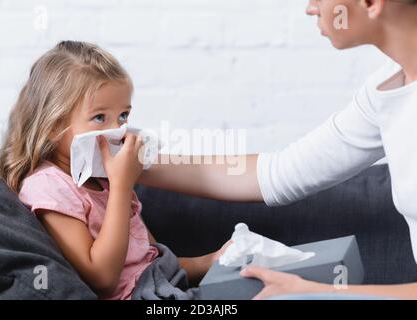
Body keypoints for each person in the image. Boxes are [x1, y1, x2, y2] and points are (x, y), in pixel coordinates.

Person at [138, 0, 417, 299]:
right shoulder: (386, 91)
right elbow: (278, 174)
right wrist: (131, 161)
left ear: (371, 3)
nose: (311, 8)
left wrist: (317, 291)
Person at [0, 41, 228, 300]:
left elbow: (148, 264)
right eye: (100, 118)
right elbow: (103, 279)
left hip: (168, 287)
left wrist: (213, 260)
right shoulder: (50, 186)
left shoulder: (102, 178)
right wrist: (122, 187)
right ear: (53, 125)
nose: (118, 130)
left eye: (124, 116)